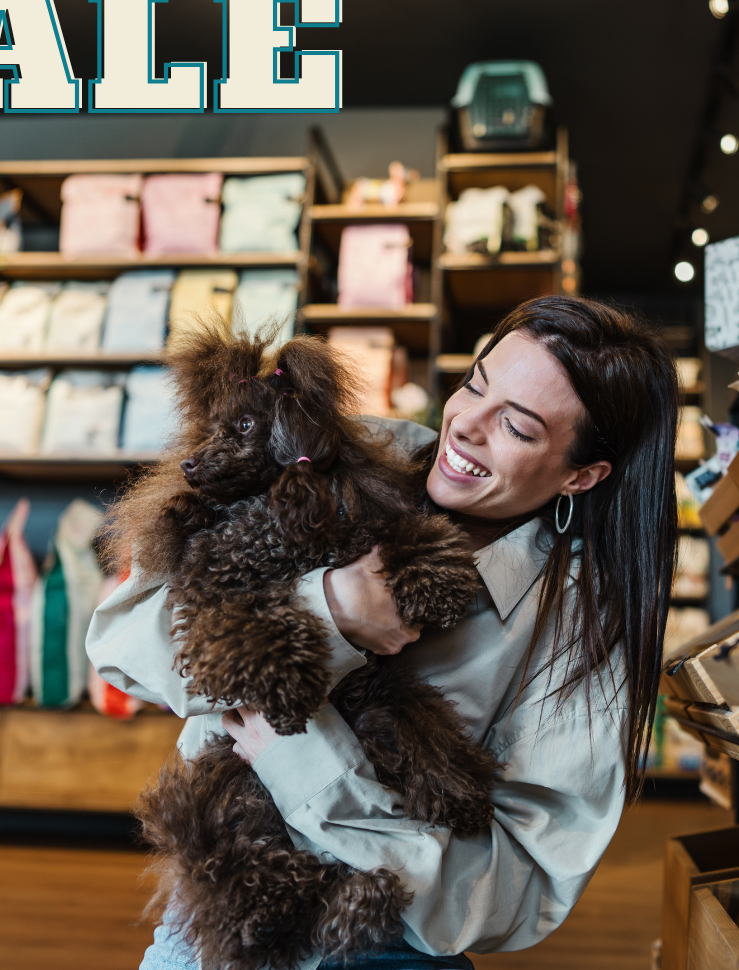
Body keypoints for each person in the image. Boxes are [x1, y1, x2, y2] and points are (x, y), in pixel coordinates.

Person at [86, 296, 679, 969]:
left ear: (582, 473)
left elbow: (523, 886)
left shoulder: (578, 626)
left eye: (516, 427)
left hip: (380, 944)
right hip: (206, 921)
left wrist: (304, 764)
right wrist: (329, 614)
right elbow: (120, 642)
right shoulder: (338, 454)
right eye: (475, 386)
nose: (466, 428)